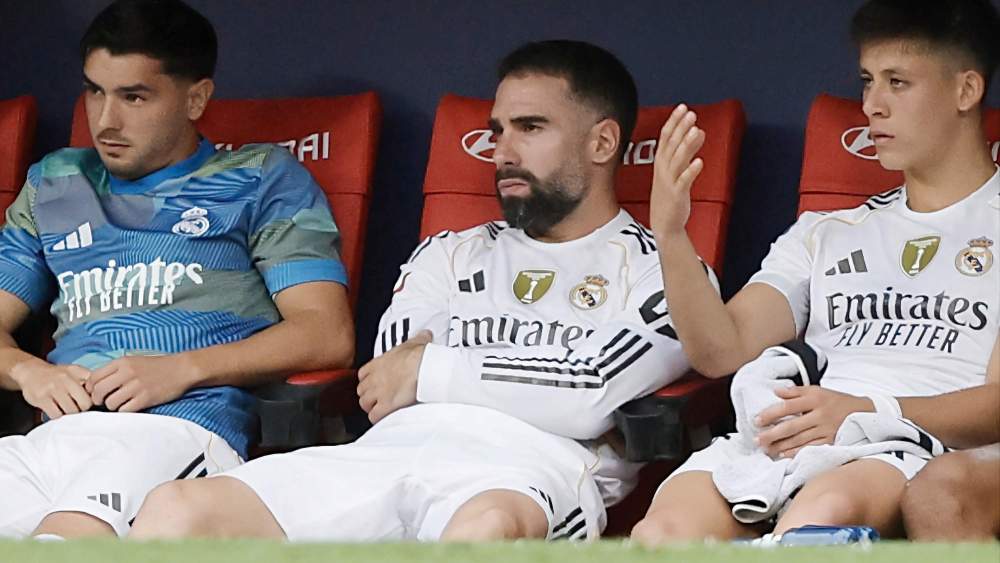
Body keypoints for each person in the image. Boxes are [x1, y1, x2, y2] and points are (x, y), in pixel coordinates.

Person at [127, 39, 717, 542]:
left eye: (531, 128)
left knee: (480, 531)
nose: (502, 151)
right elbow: (389, 381)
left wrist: (434, 371)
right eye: (496, 131)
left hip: (524, 472)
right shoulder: (449, 251)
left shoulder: (666, 271)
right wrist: (539, 380)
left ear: (602, 142)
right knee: (176, 511)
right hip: (385, 453)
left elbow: (588, 393)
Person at [631, 0, 999, 544]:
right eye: (868, 82)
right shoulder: (826, 230)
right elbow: (720, 349)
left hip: (917, 443)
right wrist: (671, 234)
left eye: (898, 82)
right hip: (799, 435)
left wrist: (867, 410)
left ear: (966, 91)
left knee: (819, 520)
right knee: (660, 535)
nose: (872, 105)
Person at [0, 0, 354, 539]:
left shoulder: (261, 177)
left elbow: (325, 334)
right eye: (94, 90)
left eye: (134, 97)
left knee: (68, 538)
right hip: (54, 437)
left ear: (196, 98)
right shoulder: (56, 181)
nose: (105, 120)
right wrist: (29, 371)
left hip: (178, 431)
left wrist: (181, 369)